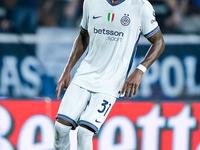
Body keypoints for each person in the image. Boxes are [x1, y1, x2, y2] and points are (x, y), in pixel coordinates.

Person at [54, 0, 165, 149]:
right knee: (60, 128)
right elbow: (83, 35)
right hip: (84, 75)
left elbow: (158, 42)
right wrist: (67, 69)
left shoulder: (141, 6)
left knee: (84, 133)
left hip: (111, 82)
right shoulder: (91, 2)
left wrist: (140, 70)